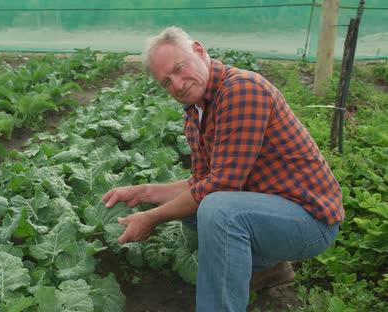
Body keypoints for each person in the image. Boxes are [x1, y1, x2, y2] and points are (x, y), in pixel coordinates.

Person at [101, 26, 344, 311]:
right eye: (166, 82)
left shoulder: (241, 90)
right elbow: (201, 183)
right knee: (196, 211)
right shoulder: (196, 113)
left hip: (310, 222)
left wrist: (151, 218)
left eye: (179, 68)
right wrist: (143, 192)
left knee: (219, 210)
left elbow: (220, 188)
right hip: (272, 212)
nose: (177, 84)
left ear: (200, 51)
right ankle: (265, 269)